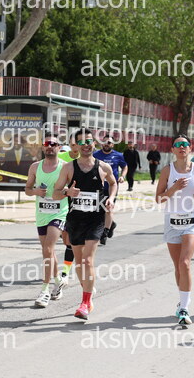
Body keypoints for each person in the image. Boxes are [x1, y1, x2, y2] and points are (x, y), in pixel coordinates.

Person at [53, 129, 117, 320]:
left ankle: (84, 302)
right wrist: (67, 193)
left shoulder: (103, 166)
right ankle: (88, 295)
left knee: (88, 260)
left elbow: (113, 183)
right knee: (80, 263)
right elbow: (55, 193)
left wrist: (111, 198)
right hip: (75, 220)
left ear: (94, 143)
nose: (86, 145)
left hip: (95, 219)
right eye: (81, 142)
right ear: (76, 146)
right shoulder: (68, 168)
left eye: (89, 141)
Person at [155, 134, 194, 325]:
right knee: (178, 266)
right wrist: (174, 188)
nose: (182, 147)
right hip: (172, 221)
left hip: (193, 219)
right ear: (172, 149)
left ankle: (185, 308)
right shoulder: (167, 171)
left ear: (190, 148)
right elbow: (159, 198)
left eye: (185, 144)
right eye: (178, 144)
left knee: (185, 262)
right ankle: (182, 300)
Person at [25, 136, 69, 307]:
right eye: (46, 144)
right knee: (48, 251)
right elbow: (27, 189)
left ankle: (44, 290)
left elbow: (72, 188)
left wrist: (66, 191)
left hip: (59, 213)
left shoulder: (65, 167)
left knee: (48, 249)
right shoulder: (35, 167)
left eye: (53, 144)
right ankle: (58, 281)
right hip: (42, 213)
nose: (50, 146)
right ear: (43, 148)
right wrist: (35, 191)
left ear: (59, 147)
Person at [93, 136, 127, 245]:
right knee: (99, 210)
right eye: (104, 142)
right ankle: (111, 224)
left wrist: (122, 176)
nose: (106, 144)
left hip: (112, 186)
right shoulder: (95, 155)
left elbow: (125, 166)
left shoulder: (118, 155)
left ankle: (105, 233)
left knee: (108, 208)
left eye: (109, 142)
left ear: (112, 144)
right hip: (98, 187)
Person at [56, 135, 81, 281]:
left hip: (79, 203)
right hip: (63, 200)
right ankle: (66, 271)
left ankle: (66, 272)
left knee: (72, 242)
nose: (75, 147)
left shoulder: (87, 158)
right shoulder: (61, 157)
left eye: (77, 144)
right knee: (67, 241)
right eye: (72, 144)